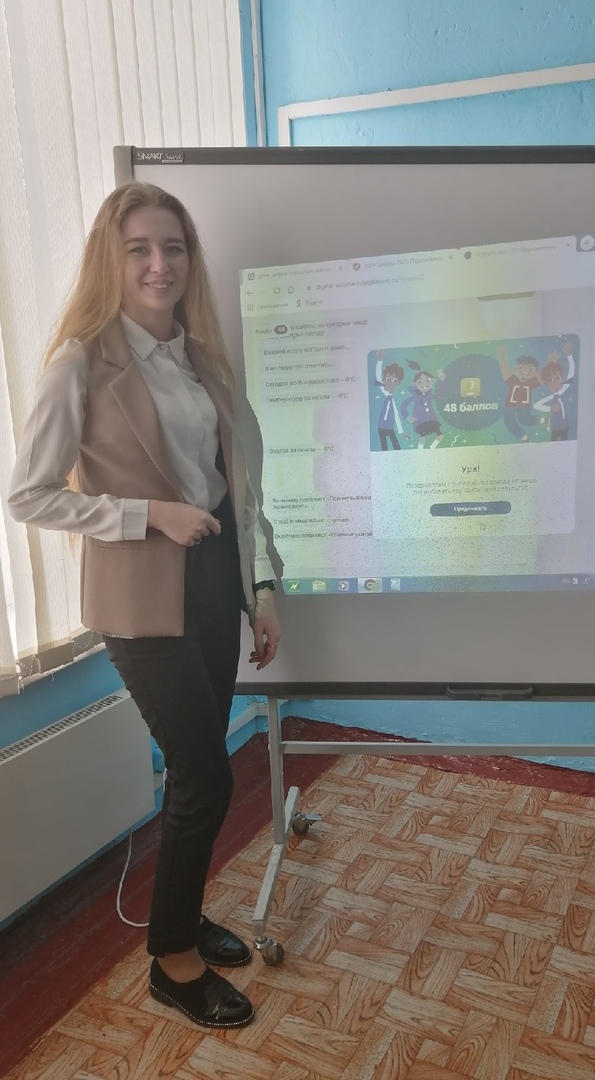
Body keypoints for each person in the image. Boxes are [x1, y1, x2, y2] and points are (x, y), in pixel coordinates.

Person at [6, 182, 281, 1029]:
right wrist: (147, 515)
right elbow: (28, 495)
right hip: (137, 601)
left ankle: (182, 920)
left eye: (174, 247)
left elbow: (242, 490)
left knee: (197, 775)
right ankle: (172, 962)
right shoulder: (80, 362)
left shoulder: (203, 361)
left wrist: (264, 588)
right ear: (112, 260)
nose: (160, 265)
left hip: (214, 586)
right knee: (206, 773)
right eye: (139, 249)